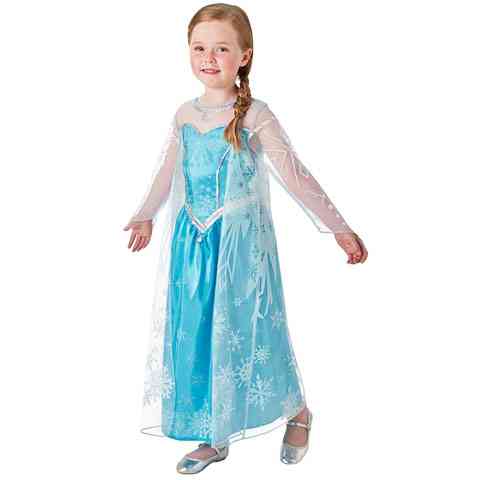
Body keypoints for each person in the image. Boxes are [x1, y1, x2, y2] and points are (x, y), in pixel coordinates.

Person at [123, 3, 368, 474]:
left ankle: (298, 410)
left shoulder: (255, 114)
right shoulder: (183, 115)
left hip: (239, 249)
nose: (208, 58)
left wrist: (338, 226)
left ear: (244, 56)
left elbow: (295, 174)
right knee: (196, 333)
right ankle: (214, 434)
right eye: (199, 48)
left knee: (250, 331)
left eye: (221, 49)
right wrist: (145, 215)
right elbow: (166, 172)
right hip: (192, 246)